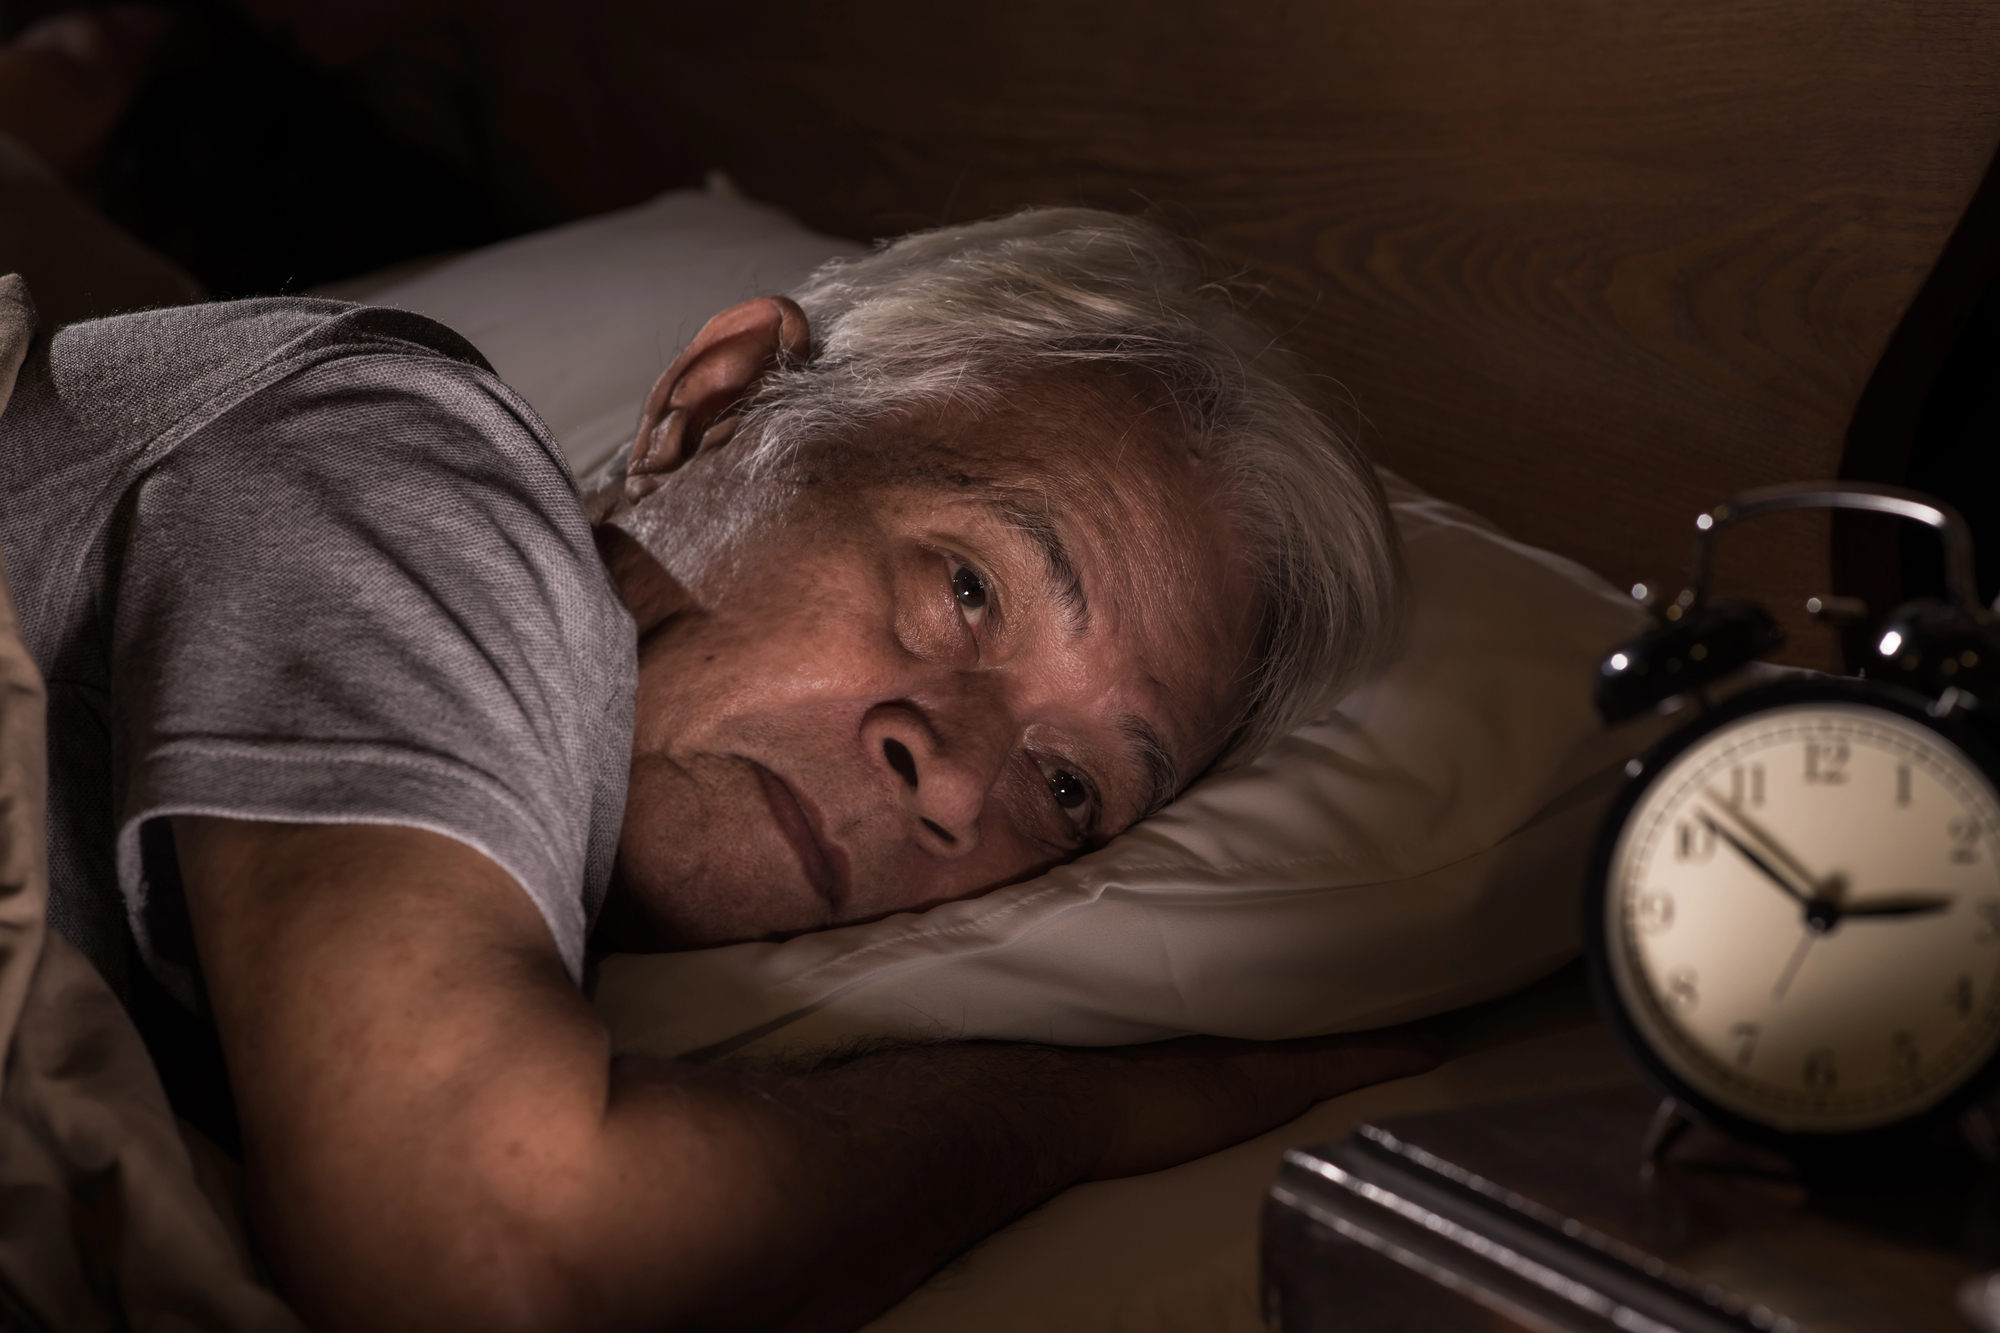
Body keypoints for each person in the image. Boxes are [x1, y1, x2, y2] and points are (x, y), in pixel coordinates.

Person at [5, 191, 1425, 1329]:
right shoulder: (414, 469)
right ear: (718, 406)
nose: (952, 775)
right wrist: (1078, 1110)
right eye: (970, 588)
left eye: (1068, 788)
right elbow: (496, 1256)